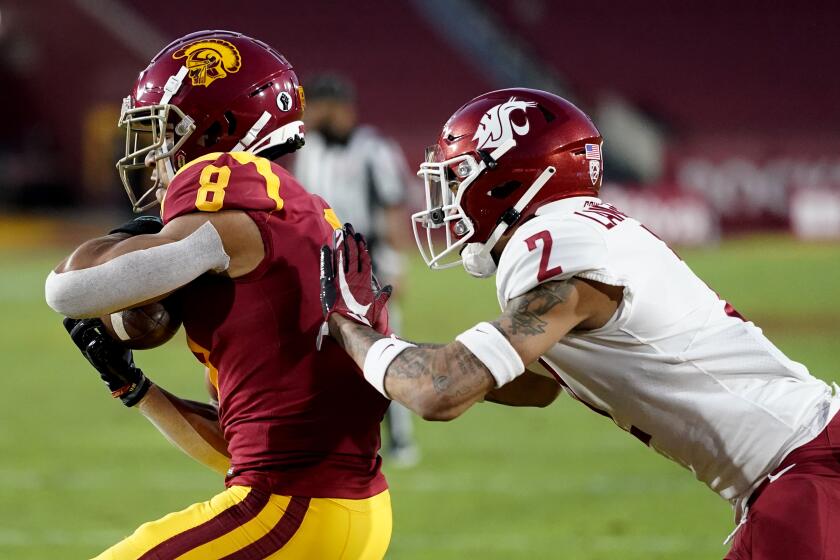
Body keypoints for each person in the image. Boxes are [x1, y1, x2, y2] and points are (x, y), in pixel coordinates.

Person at [319, 88, 840, 560]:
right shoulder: (586, 230)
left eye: (459, 180)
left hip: (808, 475)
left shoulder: (552, 245)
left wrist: (349, 325)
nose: (450, 201)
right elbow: (531, 385)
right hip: (800, 467)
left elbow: (442, 389)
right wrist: (384, 358)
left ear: (508, 180)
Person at [45, 30, 393, 559]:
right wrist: (134, 388)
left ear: (219, 126)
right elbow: (244, 449)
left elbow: (69, 290)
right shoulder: (302, 214)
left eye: (164, 131)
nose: (155, 153)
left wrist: (129, 238)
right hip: (344, 512)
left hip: (290, 510)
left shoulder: (225, 180)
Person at [292, 74, 419, 466]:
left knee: (383, 344)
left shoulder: (374, 149)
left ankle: (399, 438)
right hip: (322, 260)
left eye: (318, 105)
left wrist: (397, 265)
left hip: (368, 259)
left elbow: (391, 207)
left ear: (338, 108)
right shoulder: (309, 149)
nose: (310, 113)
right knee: (319, 350)